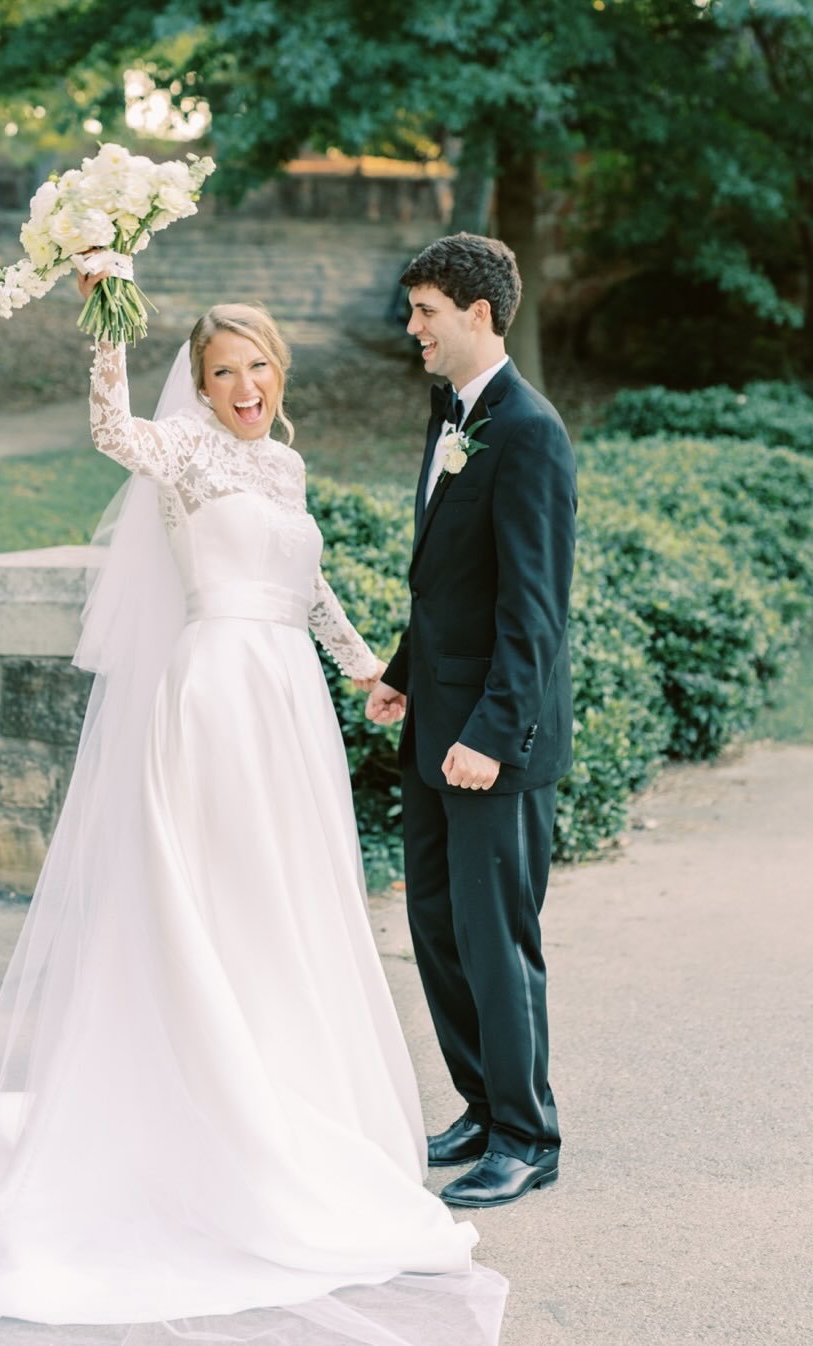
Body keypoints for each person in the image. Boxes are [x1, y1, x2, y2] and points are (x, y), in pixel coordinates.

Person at [0, 279, 507, 1346]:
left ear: (280, 372)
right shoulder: (180, 454)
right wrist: (109, 319)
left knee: (281, 903)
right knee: (208, 900)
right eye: (223, 370)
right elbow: (107, 427)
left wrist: (371, 667)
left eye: (258, 367)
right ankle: (198, 1110)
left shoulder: (284, 463)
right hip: (215, 691)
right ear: (202, 380)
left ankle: (284, 1098)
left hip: (289, 702)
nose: (242, 387)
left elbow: (306, 586)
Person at [367, 233, 577, 1210]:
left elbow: (531, 611)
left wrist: (491, 734)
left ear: (480, 315)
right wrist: (405, 674)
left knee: (497, 939)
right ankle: (485, 1105)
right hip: (434, 727)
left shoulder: (528, 431)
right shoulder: (451, 414)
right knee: (438, 926)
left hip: (494, 740)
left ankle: (528, 1136)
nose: (411, 328)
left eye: (425, 312)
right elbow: (447, 580)